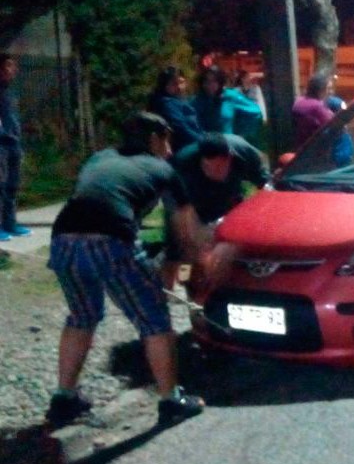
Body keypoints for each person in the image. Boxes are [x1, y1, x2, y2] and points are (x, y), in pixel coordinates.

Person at [45, 112, 212, 429]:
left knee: (82, 316)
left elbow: (102, 196)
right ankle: (170, 401)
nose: (170, 147)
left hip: (63, 240)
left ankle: (64, 398)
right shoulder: (163, 168)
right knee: (155, 321)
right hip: (111, 242)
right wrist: (186, 276)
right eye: (167, 139)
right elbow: (186, 233)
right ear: (154, 139)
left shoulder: (99, 158)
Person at [161, 132, 269, 289]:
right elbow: (179, 208)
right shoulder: (183, 164)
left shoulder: (244, 153)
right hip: (191, 204)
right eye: (207, 167)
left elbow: (266, 185)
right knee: (183, 249)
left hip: (228, 199)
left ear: (230, 158)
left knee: (231, 243)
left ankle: (230, 284)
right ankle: (185, 286)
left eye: (218, 167)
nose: (212, 172)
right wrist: (194, 233)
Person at [0, 53, 31, 240]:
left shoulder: (10, 91)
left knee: (12, 185)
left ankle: (10, 223)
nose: (14, 70)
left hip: (13, 143)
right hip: (1, 144)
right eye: (9, 66)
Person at [192, 65, 264, 138]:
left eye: (214, 81)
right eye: (206, 81)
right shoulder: (196, 102)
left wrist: (240, 128)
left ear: (220, 82)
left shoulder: (230, 96)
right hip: (204, 144)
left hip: (228, 144)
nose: (210, 85)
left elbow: (255, 112)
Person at [147, 66, 203, 154]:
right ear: (165, 85)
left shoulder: (180, 100)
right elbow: (181, 128)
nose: (179, 87)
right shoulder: (166, 103)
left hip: (193, 143)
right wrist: (203, 141)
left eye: (181, 82)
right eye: (174, 84)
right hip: (182, 148)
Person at [292, 73, 334, 148]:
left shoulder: (299, 100)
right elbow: (333, 124)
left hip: (300, 144)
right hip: (314, 147)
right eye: (328, 88)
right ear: (320, 89)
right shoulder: (317, 106)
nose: (331, 92)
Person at [232, 70, 267, 146]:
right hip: (241, 120)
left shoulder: (255, 88)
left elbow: (260, 101)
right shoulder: (235, 91)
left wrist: (264, 117)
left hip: (253, 118)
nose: (248, 79)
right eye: (246, 77)